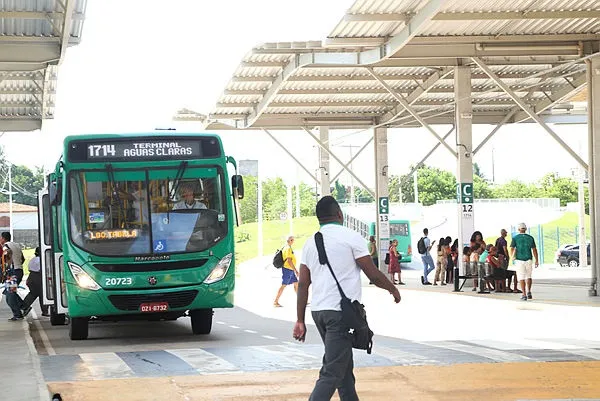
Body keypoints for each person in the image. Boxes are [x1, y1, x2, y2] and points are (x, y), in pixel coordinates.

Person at [293, 196, 400, 401]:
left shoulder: (309, 243)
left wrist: (300, 320)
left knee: (343, 368)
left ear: (319, 218)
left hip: (319, 313)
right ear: (339, 214)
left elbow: (304, 284)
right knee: (332, 372)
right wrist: (392, 289)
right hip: (340, 315)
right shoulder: (351, 237)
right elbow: (373, 274)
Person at [1, 232, 26, 321]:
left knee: (10, 295)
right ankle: (22, 308)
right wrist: (18, 265)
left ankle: (20, 311)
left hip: (12, 272)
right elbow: (23, 259)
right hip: (19, 270)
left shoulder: (5, 247)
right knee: (9, 292)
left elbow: (5, 260)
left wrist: (6, 271)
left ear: (3, 238)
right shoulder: (17, 245)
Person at [510, 222, 539, 301]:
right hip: (529, 259)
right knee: (529, 276)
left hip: (519, 260)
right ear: (525, 229)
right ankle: (529, 291)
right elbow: (534, 249)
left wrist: (512, 257)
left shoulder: (515, 238)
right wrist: (537, 260)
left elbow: (512, 248)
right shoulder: (530, 238)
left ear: (518, 229)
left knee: (521, 277)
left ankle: (524, 294)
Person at [22, 247, 49, 317]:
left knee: (32, 294)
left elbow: (29, 269)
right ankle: (45, 311)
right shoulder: (42, 260)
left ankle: (24, 306)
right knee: (43, 294)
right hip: (38, 278)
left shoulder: (32, 260)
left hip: (31, 277)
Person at [273, 235, 298, 307]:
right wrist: (295, 270)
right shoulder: (288, 248)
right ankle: (275, 301)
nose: (293, 241)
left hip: (289, 269)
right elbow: (289, 260)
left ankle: (301, 300)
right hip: (288, 269)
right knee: (283, 285)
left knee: (296, 283)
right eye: (292, 240)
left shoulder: (286, 247)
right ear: (291, 241)